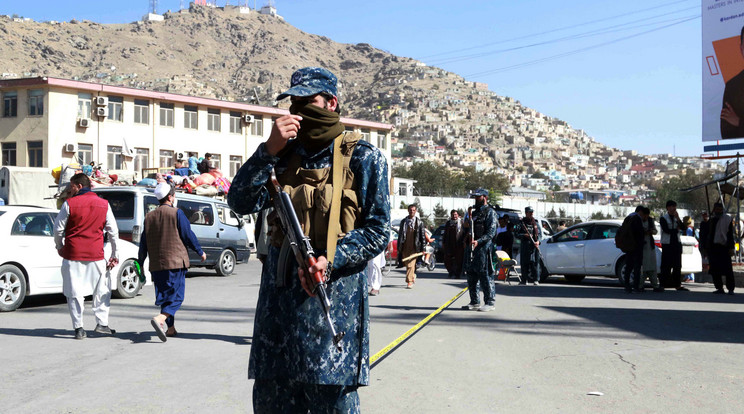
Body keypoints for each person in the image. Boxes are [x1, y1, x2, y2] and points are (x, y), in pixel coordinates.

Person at [227, 67, 390, 413]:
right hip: (277, 327)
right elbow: (239, 202)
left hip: (330, 321)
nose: (299, 110)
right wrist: (267, 150)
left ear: (332, 102)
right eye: (294, 103)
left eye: (309, 101)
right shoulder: (281, 156)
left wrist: (332, 258)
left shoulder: (364, 157)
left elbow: (378, 230)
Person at [53, 173, 119, 340]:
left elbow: (58, 230)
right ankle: (102, 324)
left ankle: (79, 328)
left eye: (72, 187)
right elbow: (113, 231)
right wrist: (115, 254)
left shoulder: (69, 204)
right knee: (102, 290)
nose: (70, 189)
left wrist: (60, 247)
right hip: (96, 255)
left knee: (74, 292)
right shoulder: (104, 204)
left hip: (73, 255)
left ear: (79, 186)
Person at [138, 182, 206, 341]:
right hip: (175, 262)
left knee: (166, 297)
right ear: (170, 197)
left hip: (156, 265)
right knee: (177, 297)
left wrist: (140, 262)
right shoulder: (177, 213)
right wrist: (200, 251)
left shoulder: (149, 217)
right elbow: (188, 235)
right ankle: (160, 319)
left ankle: (171, 329)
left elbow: (143, 243)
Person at [461, 188, 498, 311]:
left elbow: (491, 233)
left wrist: (479, 241)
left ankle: (490, 302)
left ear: (485, 197)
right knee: (472, 275)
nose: (476, 199)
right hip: (472, 248)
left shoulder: (490, 212)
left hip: (484, 248)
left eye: (479, 197)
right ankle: (474, 301)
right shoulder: (474, 213)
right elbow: (468, 229)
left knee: (485, 275)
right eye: (475, 197)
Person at [720, 26, 744, 139]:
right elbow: (727, 132)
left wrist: (739, 123)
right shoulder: (732, 86)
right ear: (741, 48)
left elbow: (735, 122)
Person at [707, 202, 735, 295]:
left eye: (720, 209)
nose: (718, 211)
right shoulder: (711, 221)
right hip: (714, 247)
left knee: (727, 269)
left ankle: (730, 288)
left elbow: (730, 234)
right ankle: (719, 288)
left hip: (724, 247)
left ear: (722, 210)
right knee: (715, 269)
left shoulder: (727, 219)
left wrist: (731, 247)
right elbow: (709, 235)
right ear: (714, 210)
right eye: (716, 209)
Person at [660, 200, 687, 291]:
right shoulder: (663, 218)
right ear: (667, 208)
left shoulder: (677, 218)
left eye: (674, 206)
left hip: (677, 244)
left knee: (677, 266)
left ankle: (677, 285)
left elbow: (684, 228)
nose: (673, 208)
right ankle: (663, 284)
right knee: (666, 265)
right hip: (667, 244)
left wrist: (678, 219)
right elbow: (666, 230)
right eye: (671, 207)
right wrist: (676, 230)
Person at [398, 204, 427, 289]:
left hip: (415, 246)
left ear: (416, 211)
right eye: (410, 210)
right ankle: (413, 275)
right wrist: (399, 247)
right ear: (408, 210)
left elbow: (422, 236)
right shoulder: (403, 222)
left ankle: (409, 281)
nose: (412, 211)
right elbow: (400, 235)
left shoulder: (419, 222)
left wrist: (423, 248)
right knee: (407, 264)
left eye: (413, 210)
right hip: (405, 245)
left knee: (411, 264)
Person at [622, 206, 647, 293]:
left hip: (628, 246)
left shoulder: (628, 218)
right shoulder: (637, 219)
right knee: (637, 267)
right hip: (636, 247)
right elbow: (639, 233)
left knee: (628, 267)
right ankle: (636, 286)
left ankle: (627, 285)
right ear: (640, 212)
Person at [640, 207, 663, 292]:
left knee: (652, 266)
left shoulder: (650, 220)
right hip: (642, 247)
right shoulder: (638, 221)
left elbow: (655, 231)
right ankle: (640, 285)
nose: (645, 217)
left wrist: (650, 231)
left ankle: (655, 285)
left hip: (650, 245)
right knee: (643, 267)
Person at [516, 206, 541, 285]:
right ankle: (524, 280)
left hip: (534, 246)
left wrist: (538, 241)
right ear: (526, 213)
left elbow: (539, 234)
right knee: (524, 263)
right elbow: (516, 234)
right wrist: (524, 235)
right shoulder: (521, 223)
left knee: (535, 263)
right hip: (525, 245)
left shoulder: (535, 222)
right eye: (530, 212)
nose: (531, 214)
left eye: (532, 212)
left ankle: (536, 280)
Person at [442, 209, 465, 279]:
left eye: (455, 214)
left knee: (459, 260)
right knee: (447, 259)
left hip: (459, 244)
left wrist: (465, 241)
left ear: (458, 215)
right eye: (453, 214)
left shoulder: (461, 222)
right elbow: (445, 234)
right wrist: (443, 243)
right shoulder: (448, 223)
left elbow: (466, 232)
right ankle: (451, 271)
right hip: (449, 244)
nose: (454, 216)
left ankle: (458, 274)